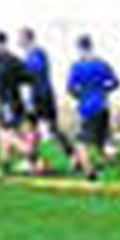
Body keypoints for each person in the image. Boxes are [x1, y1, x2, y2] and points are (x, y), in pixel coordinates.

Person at [19, 28, 75, 166]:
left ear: (27, 38)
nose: (18, 41)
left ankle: (73, 156)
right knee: (32, 127)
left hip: (41, 97)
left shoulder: (37, 53)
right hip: (37, 96)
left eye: (21, 38)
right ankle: (32, 160)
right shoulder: (29, 54)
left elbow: (36, 72)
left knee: (49, 128)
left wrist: (20, 72)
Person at [66, 35, 119, 179]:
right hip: (103, 105)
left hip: (87, 108)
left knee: (80, 142)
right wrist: (103, 90)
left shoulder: (77, 66)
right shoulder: (102, 64)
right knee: (101, 141)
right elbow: (115, 83)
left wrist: (81, 96)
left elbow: (70, 88)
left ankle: (89, 172)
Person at [0, 30, 35, 176]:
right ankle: (4, 166)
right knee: (7, 132)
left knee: (4, 133)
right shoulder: (14, 59)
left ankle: (27, 152)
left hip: (6, 102)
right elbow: (28, 77)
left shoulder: (0, 60)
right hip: (15, 100)